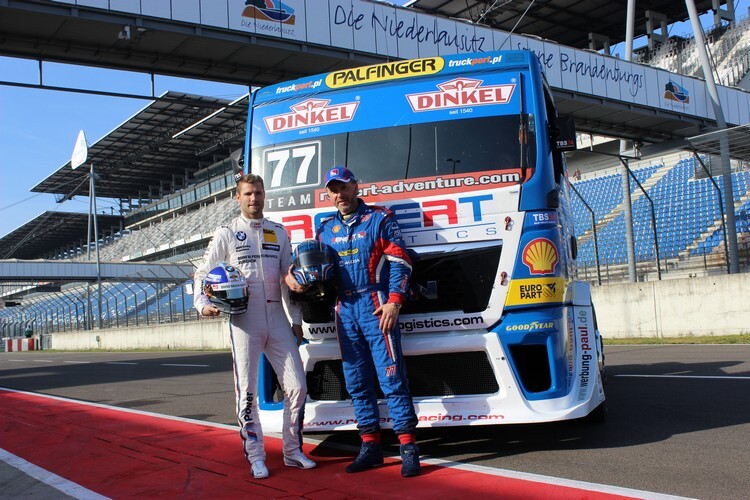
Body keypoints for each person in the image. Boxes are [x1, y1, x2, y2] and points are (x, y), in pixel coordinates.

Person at [287, 166, 421, 478]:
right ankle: (370, 448)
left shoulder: (379, 218)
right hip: (343, 308)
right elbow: (310, 269)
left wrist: (394, 300)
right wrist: (294, 277)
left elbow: (401, 260)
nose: (339, 195)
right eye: (333, 190)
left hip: (376, 305)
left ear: (356, 187)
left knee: (391, 378)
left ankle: (408, 448)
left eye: (344, 187)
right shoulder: (325, 230)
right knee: (357, 382)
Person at [194, 173, 316, 479]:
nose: (254, 199)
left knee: (297, 387)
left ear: (264, 196)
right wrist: (202, 304)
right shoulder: (227, 232)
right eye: (248, 194)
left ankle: (291, 451)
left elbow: (291, 281)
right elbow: (202, 273)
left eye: (258, 193)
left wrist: (297, 321)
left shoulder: (279, 231)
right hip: (244, 320)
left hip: (277, 318)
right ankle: (256, 454)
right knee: (247, 393)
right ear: (238, 197)